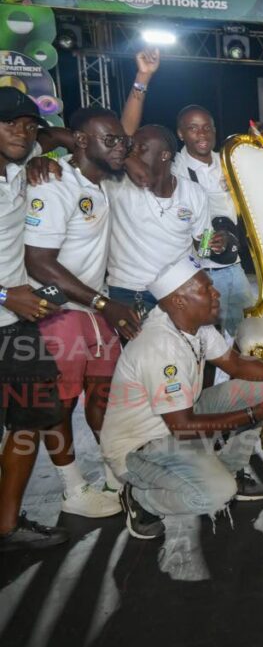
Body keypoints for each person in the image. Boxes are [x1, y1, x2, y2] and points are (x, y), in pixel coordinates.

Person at [100, 256, 263, 540]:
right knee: (215, 494)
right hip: (140, 445)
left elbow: (237, 365)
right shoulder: (161, 347)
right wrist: (256, 414)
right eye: (207, 290)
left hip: (177, 418)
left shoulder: (196, 326)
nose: (216, 294)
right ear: (179, 300)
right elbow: (182, 426)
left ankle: (230, 468)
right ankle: (141, 498)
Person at [24, 106, 144, 516]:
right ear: (81, 141)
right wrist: (101, 302)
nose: (120, 147)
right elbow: (39, 260)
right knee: (59, 406)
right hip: (58, 310)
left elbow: (53, 135)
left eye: (122, 141)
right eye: (109, 140)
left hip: (95, 308)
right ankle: (72, 489)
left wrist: (100, 303)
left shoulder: (103, 184)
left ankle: (113, 473)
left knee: (107, 395)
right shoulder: (53, 183)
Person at [0, 88, 67, 551]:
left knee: (32, 417)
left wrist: (50, 148)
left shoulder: (23, 163)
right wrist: (6, 293)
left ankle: (7, 526)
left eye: (27, 125)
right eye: (10, 125)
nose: (20, 133)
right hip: (11, 306)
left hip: (15, 324)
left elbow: (66, 133)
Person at [106, 124, 212, 318]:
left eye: (141, 149)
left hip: (180, 292)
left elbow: (204, 247)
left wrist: (213, 246)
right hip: (130, 293)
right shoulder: (116, 185)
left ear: (164, 155)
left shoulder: (194, 193)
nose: (131, 154)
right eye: (131, 149)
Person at [166, 105, 252, 337]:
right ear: (181, 134)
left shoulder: (228, 162)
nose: (202, 134)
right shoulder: (174, 170)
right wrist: (210, 240)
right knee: (203, 338)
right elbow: (182, 218)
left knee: (245, 334)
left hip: (233, 265)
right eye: (193, 128)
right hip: (197, 272)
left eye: (206, 128)